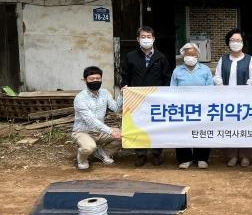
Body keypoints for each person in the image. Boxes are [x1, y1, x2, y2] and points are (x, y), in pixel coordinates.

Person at [121, 26, 171, 167]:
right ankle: (140, 154)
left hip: (156, 99)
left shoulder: (161, 57)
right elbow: (125, 75)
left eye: (149, 37)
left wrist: (165, 93)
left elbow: (167, 77)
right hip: (136, 98)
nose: (146, 39)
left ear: (153, 39)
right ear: (138, 39)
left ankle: (156, 154)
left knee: (157, 126)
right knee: (139, 125)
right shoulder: (131, 56)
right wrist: (124, 86)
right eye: (143, 37)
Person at [213, 28, 252, 167]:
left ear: (243, 42)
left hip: (245, 99)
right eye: (232, 40)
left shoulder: (250, 59)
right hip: (227, 99)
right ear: (228, 42)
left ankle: (245, 155)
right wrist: (221, 87)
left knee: (245, 127)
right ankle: (232, 155)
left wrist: (243, 92)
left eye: (238, 40)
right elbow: (217, 76)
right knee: (230, 126)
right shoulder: (223, 59)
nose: (235, 42)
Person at [171, 43, 214, 169]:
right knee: (181, 132)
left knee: (202, 131)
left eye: (193, 54)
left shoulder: (205, 70)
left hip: (202, 107)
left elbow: (211, 89)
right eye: (188, 54)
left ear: (197, 56)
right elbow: (172, 90)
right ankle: (185, 158)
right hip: (182, 108)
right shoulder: (177, 71)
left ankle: (202, 158)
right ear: (183, 55)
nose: (190, 56)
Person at [72, 66, 122, 170]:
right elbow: (91, 121)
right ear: (85, 80)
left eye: (98, 78)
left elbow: (116, 108)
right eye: (92, 79)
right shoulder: (80, 98)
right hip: (83, 132)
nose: (95, 81)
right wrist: (110, 131)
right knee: (89, 147)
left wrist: (121, 95)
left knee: (124, 135)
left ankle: (102, 153)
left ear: (101, 79)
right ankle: (81, 159)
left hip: (100, 132)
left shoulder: (105, 93)